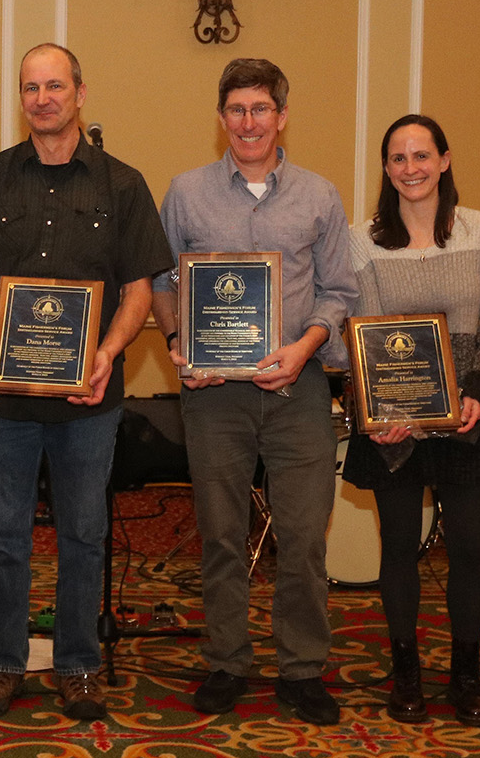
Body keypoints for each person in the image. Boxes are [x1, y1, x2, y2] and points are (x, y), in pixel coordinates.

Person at [0, 43, 172, 721]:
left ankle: (77, 666)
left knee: (84, 534)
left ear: (80, 93)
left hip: (89, 401)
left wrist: (109, 352)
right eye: (30, 88)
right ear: (21, 99)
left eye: (54, 86)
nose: (43, 98)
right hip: (1, 399)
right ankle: (4, 662)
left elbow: (137, 289)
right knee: (3, 534)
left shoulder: (122, 186)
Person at [150, 58, 358, 727]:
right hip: (214, 395)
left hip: (296, 388)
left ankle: (301, 668)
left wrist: (303, 350)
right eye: (236, 110)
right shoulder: (185, 193)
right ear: (221, 119)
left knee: (302, 536)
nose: (248, 122)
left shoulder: (320, 196)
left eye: (261, 109)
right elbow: (161, 282)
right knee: (221, 532)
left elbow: (340, 291)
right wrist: (179, 345)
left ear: (282, 116)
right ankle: (227, 661)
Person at [341, 114, 480, 726]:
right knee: (399, 548)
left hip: (466, 415)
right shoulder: (363, 240)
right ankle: (406, 668)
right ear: (385, 168)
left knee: (468, 546)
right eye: (397, 158)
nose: (410, 167)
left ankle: (466, 670)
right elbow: (367, 337)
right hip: (396, 427)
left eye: (422, 155)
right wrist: (379, 415)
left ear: (444, 159)